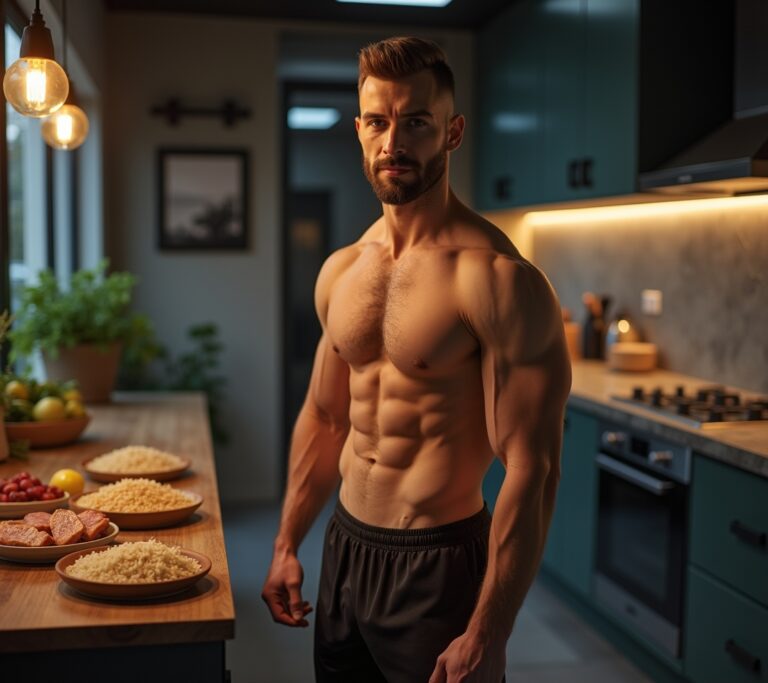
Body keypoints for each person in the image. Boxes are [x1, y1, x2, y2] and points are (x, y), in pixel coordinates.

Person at [262, 36, 571, 683]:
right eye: (377, 120)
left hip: (439, 562)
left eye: (417, 121)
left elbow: (532, 470)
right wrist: (288, 541)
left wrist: (488, 629)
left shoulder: (496, 279)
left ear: (452, 132)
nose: (392, 141)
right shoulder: (342, 270)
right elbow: (324, 418)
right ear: (359, 128)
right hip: (347, 548)